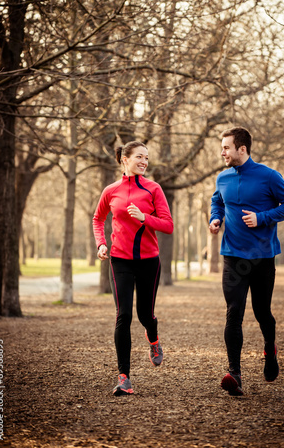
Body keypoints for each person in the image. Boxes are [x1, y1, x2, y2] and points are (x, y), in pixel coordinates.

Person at [209, 127, 284, 396]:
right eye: (222, 147)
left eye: (226, 147)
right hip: (233, 256)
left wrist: (262, 218)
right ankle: (234, 373)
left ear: (242, 149)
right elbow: (218, 203)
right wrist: (216, 218)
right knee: (233, 312)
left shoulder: (269, 176)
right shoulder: (222, 178)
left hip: (261, 257)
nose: (222, 152)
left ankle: (270, 349)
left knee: (262, 313)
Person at [93, 141, 174, 396]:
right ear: (124, 160)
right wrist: (101, 244)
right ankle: (124, 378)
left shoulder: (154, 189)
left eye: (147, 158)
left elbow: (168, 225)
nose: (144, 161)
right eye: (139, 157)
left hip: (149, 260)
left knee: (144, 315)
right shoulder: (111, 190)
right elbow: (98, 219)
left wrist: (144, 218)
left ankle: (154, 339)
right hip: (120, 260)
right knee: (123, 316)